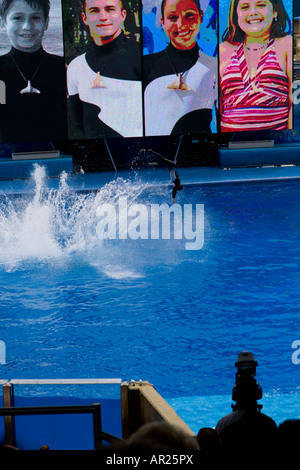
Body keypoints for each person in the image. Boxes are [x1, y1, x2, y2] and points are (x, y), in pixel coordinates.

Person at [67, 0, 143, 139]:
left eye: (110, 9)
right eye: (94, 10)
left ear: (123, 15)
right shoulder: (76, 66)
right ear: (85, 18)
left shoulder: (143, 57)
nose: (103, 17)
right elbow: (79, 121)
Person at [143, 0, 217, 136]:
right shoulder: (146, 66)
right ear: (163, 22)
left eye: (189, 15)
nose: (181, 24)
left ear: (200, 16)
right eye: (172, 17)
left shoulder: (214, 67)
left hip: (198, 152)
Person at [220, 0, 293, 132]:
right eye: (245, 7)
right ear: (236, 15)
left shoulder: (286, 45)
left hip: (274, 145)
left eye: (261, 5)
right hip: (232, 146)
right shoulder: (223, 51)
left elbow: (295, 105)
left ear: (275, 11)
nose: (253, 12)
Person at [0, 0, 67, 142]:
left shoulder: (64, 69)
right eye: (17, 18)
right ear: (3, 23)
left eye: (35, 18)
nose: (27, 27)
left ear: (46, 22)